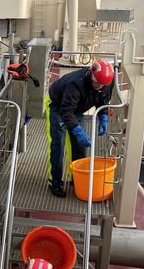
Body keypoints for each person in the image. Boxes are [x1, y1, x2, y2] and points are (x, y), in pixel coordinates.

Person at [46, 59, 114, 197]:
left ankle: (76, 178)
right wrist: (77, 130)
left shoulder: (107, 82)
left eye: (103, 85)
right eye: (97, 84)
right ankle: (55, 182)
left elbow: (103, 99)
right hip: (58, 106)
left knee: (79, 146)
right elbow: (66, 111)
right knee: (58, 144)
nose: (100, 87)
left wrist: (103, 117)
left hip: (77, 108)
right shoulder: (75, 84)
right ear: (91, 76)